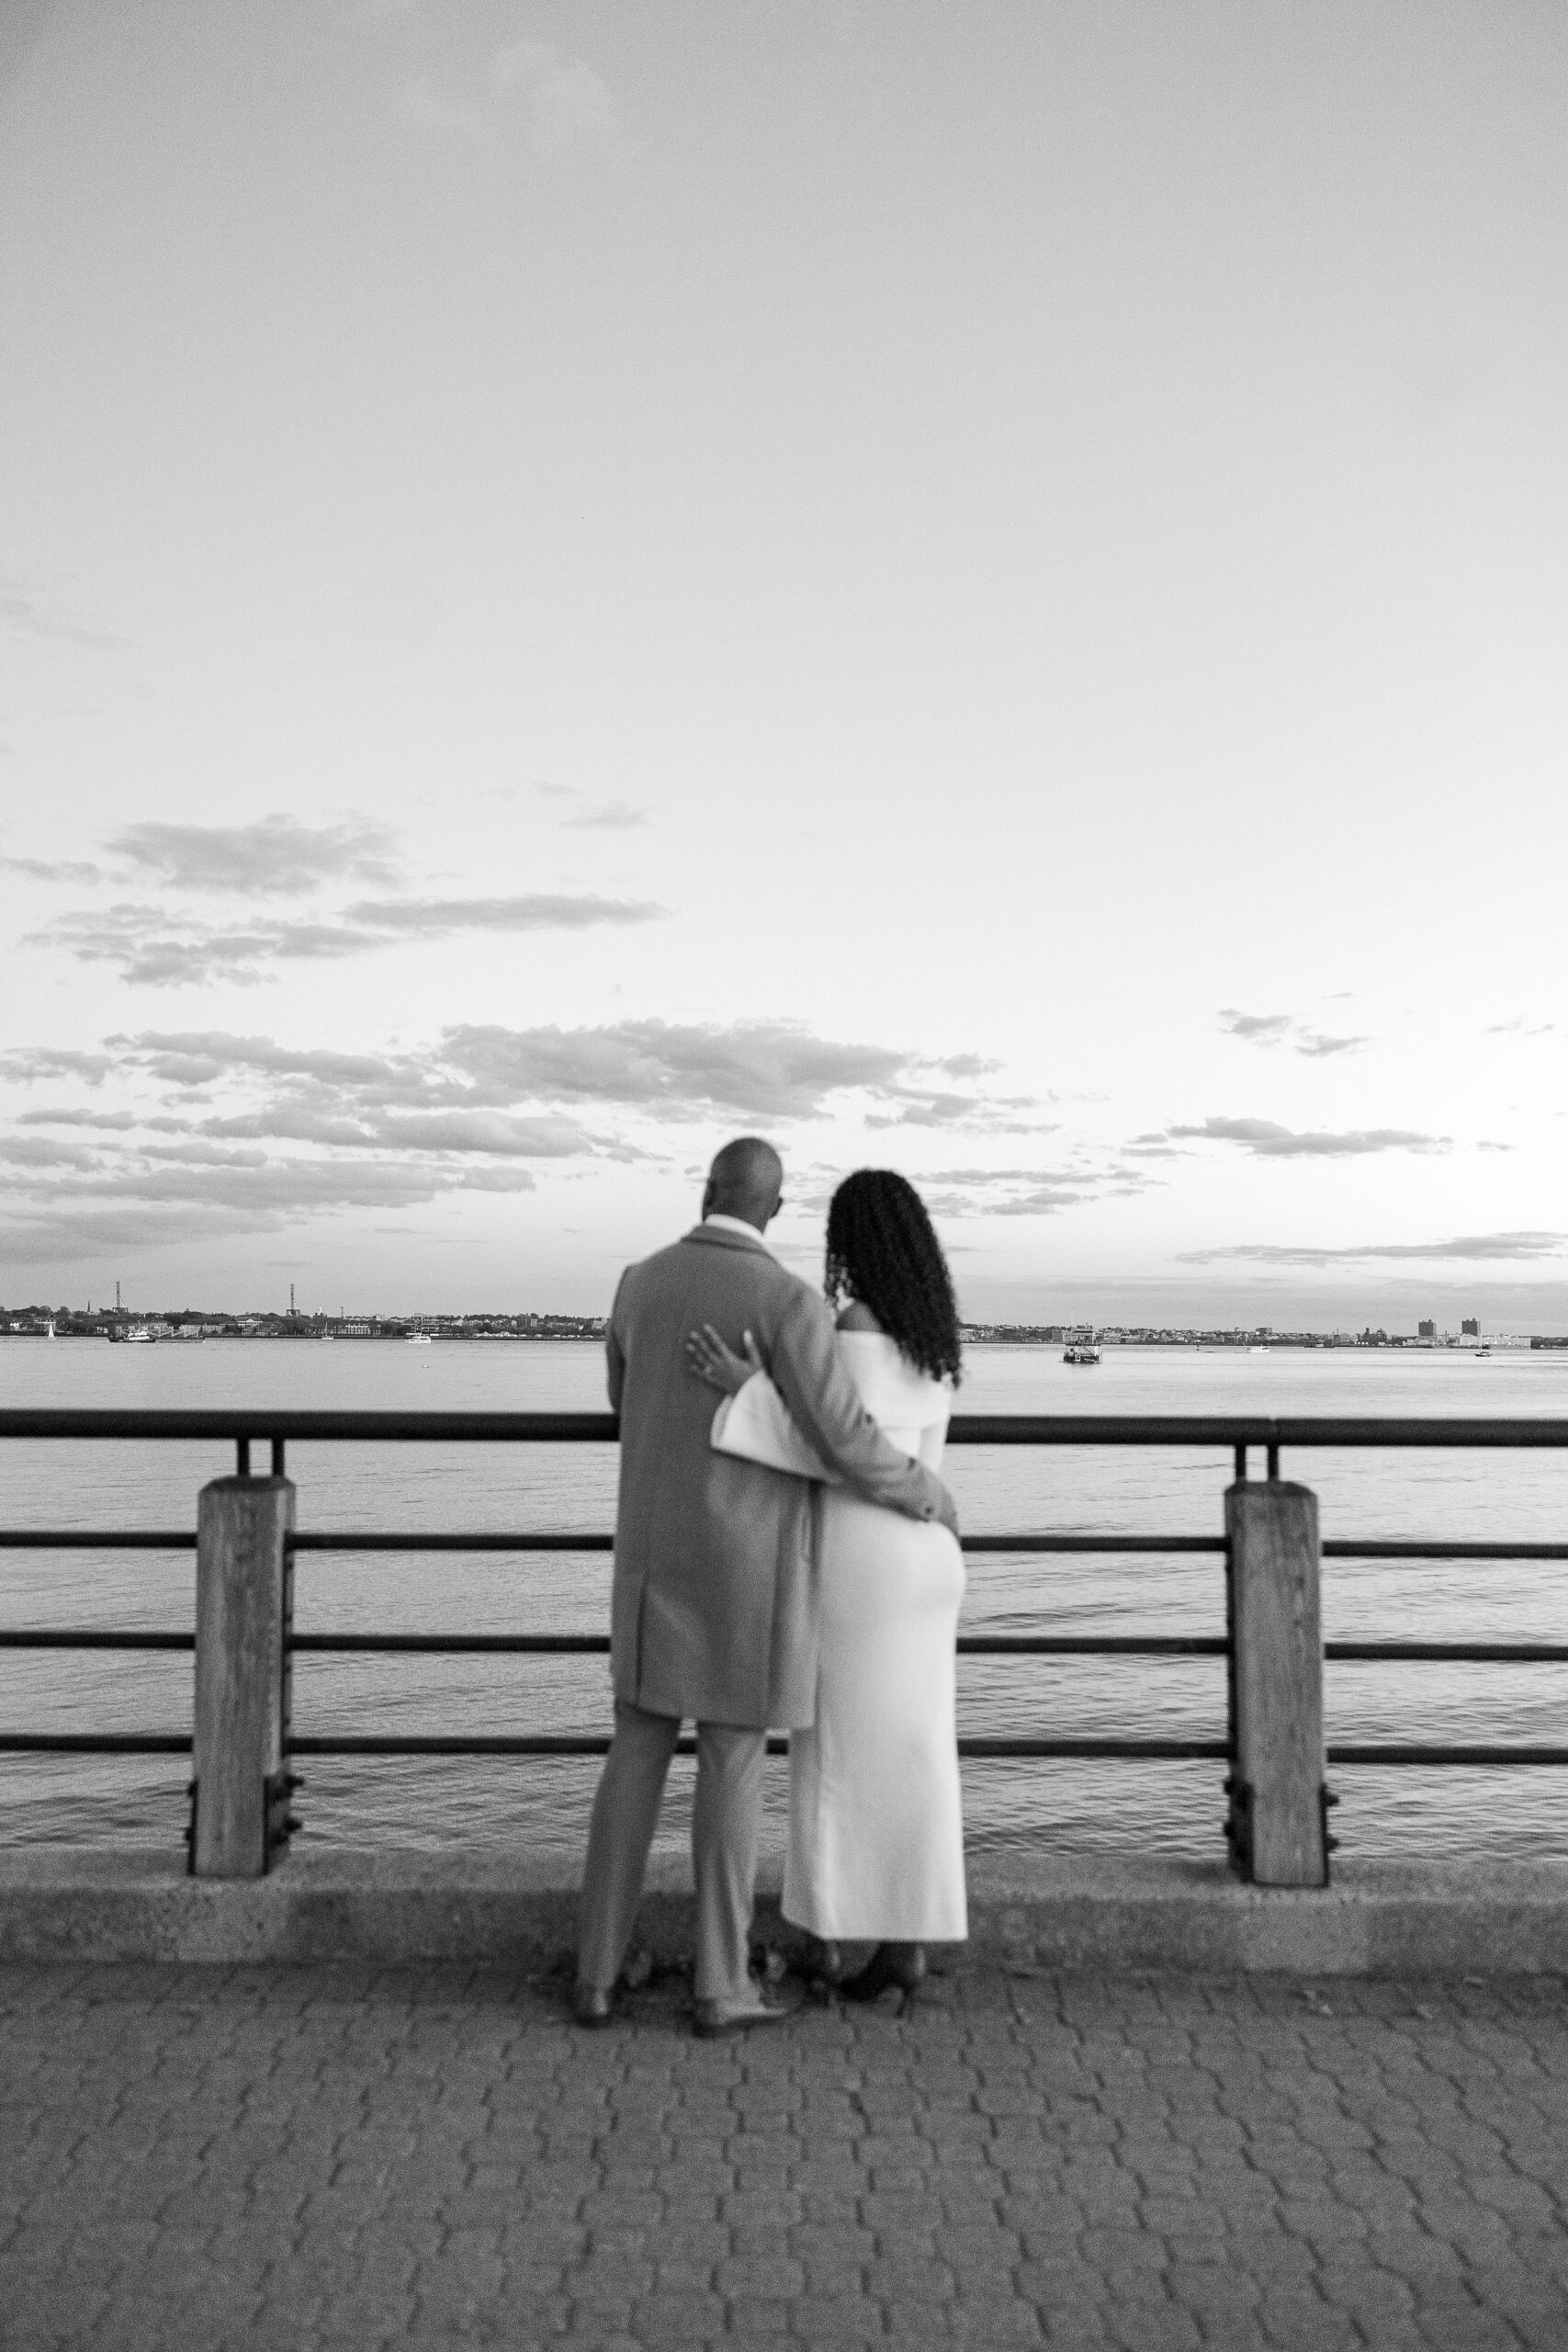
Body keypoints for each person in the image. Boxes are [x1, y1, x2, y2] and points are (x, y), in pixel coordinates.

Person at [575, 1136, 960, 2037]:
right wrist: (927, 1491)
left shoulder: (637, 1283)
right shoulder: (788, 1303)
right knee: (731, 1764)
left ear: (704, 1188)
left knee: (633, 1754)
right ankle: (720, 1985)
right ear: (776, 1209)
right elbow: (848, 1442)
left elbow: (620, 1402)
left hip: (647, 1563)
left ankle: (595, 1975)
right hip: (745, 1575)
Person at [684, 1168, 967, 2003]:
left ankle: (840, 1937)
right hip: (924, 1557)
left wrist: (747, 1392)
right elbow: (882, 1441)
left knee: (839, 1753)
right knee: (914, 1755)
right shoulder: (933, 1334)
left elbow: (835, 1445)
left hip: (863, 1558)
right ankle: (902, 1940)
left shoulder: (852, 1322)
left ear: (853, 1243)